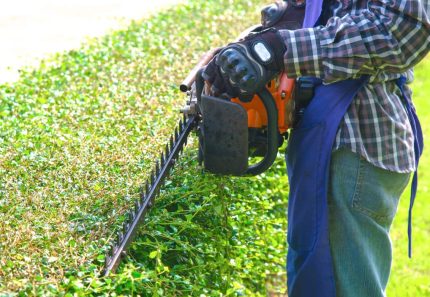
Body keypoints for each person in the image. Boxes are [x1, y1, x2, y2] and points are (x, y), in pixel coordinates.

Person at [202, 0, 430, 296]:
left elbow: (402, 31)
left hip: (356, 139)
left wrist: (281, 49)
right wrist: (284, 22)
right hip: (326, 134)